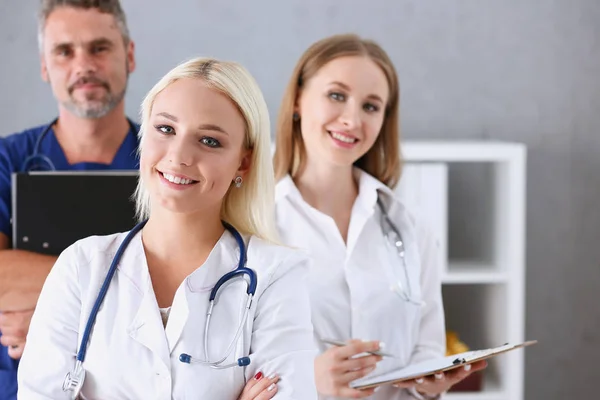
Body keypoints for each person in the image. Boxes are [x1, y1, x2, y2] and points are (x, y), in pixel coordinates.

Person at [17, 56, 318, 399]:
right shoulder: (81, 267)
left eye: (209, 141)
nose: (179, 156)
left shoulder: (275, 275)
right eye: (166, 129)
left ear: (244, 162)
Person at [273, 33, 487, 399]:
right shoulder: (253, 224)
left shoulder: (408, 226)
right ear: (297, 100)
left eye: (371, 106)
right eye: (337, 95)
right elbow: (229, 369)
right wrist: (308, 382)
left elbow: (427, 346)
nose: (352, 120)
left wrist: (430, 385)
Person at [0, 1, 139, 398]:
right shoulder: (6, 158)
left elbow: (191, 282)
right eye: (64, 52)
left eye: (99, 47)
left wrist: (52, 319)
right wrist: (129, 288)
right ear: (45, 66)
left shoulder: (165, 159)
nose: (84, 65)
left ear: (129, 55)